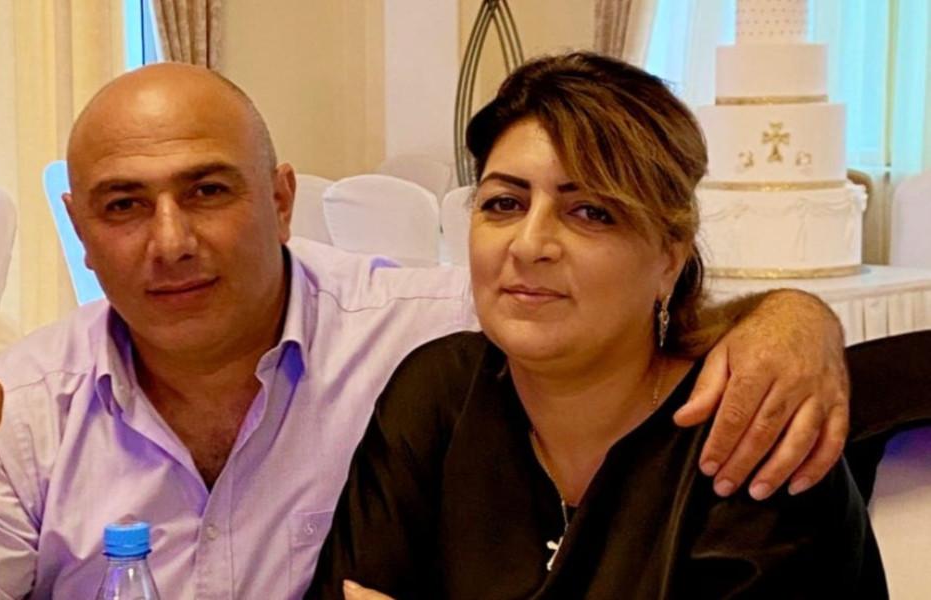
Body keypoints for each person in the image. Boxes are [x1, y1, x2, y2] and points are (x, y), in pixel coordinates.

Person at [0, 63, 852, 599]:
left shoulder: (744, 441)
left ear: (281, 201)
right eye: (123, 205)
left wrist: (792, 318)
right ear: (79, 229)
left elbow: (618, 326)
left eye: (209, 190)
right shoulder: (444, 384)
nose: (172, 241)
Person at [306, 52, 886, 599]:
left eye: (590, 212)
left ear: (670, 256)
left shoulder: (750, 428)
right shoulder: (438, 392)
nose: (529, 244)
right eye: (504, 204)